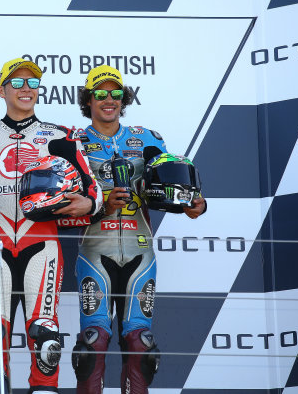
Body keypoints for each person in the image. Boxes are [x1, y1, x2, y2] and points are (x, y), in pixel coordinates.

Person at [0, 57, 103, 394]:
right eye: (17, 83)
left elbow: (94, 194)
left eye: (32, 83)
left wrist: (88, 204)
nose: (26, 89)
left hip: (42, 243)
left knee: (47, 341)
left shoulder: (62, 137)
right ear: (2, 90)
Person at [70, 65, 207, 394]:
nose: (109, 99)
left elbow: (186, 200)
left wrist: (193, 202)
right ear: (88, 99)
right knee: (91, 345)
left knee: (141, 346)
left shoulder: (147, 139)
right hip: (94, 253)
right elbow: (59, 204)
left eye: (116, 93)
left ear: (124, 99)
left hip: (140, 252)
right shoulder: (73, 142)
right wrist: (102, 203)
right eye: (100, 93)